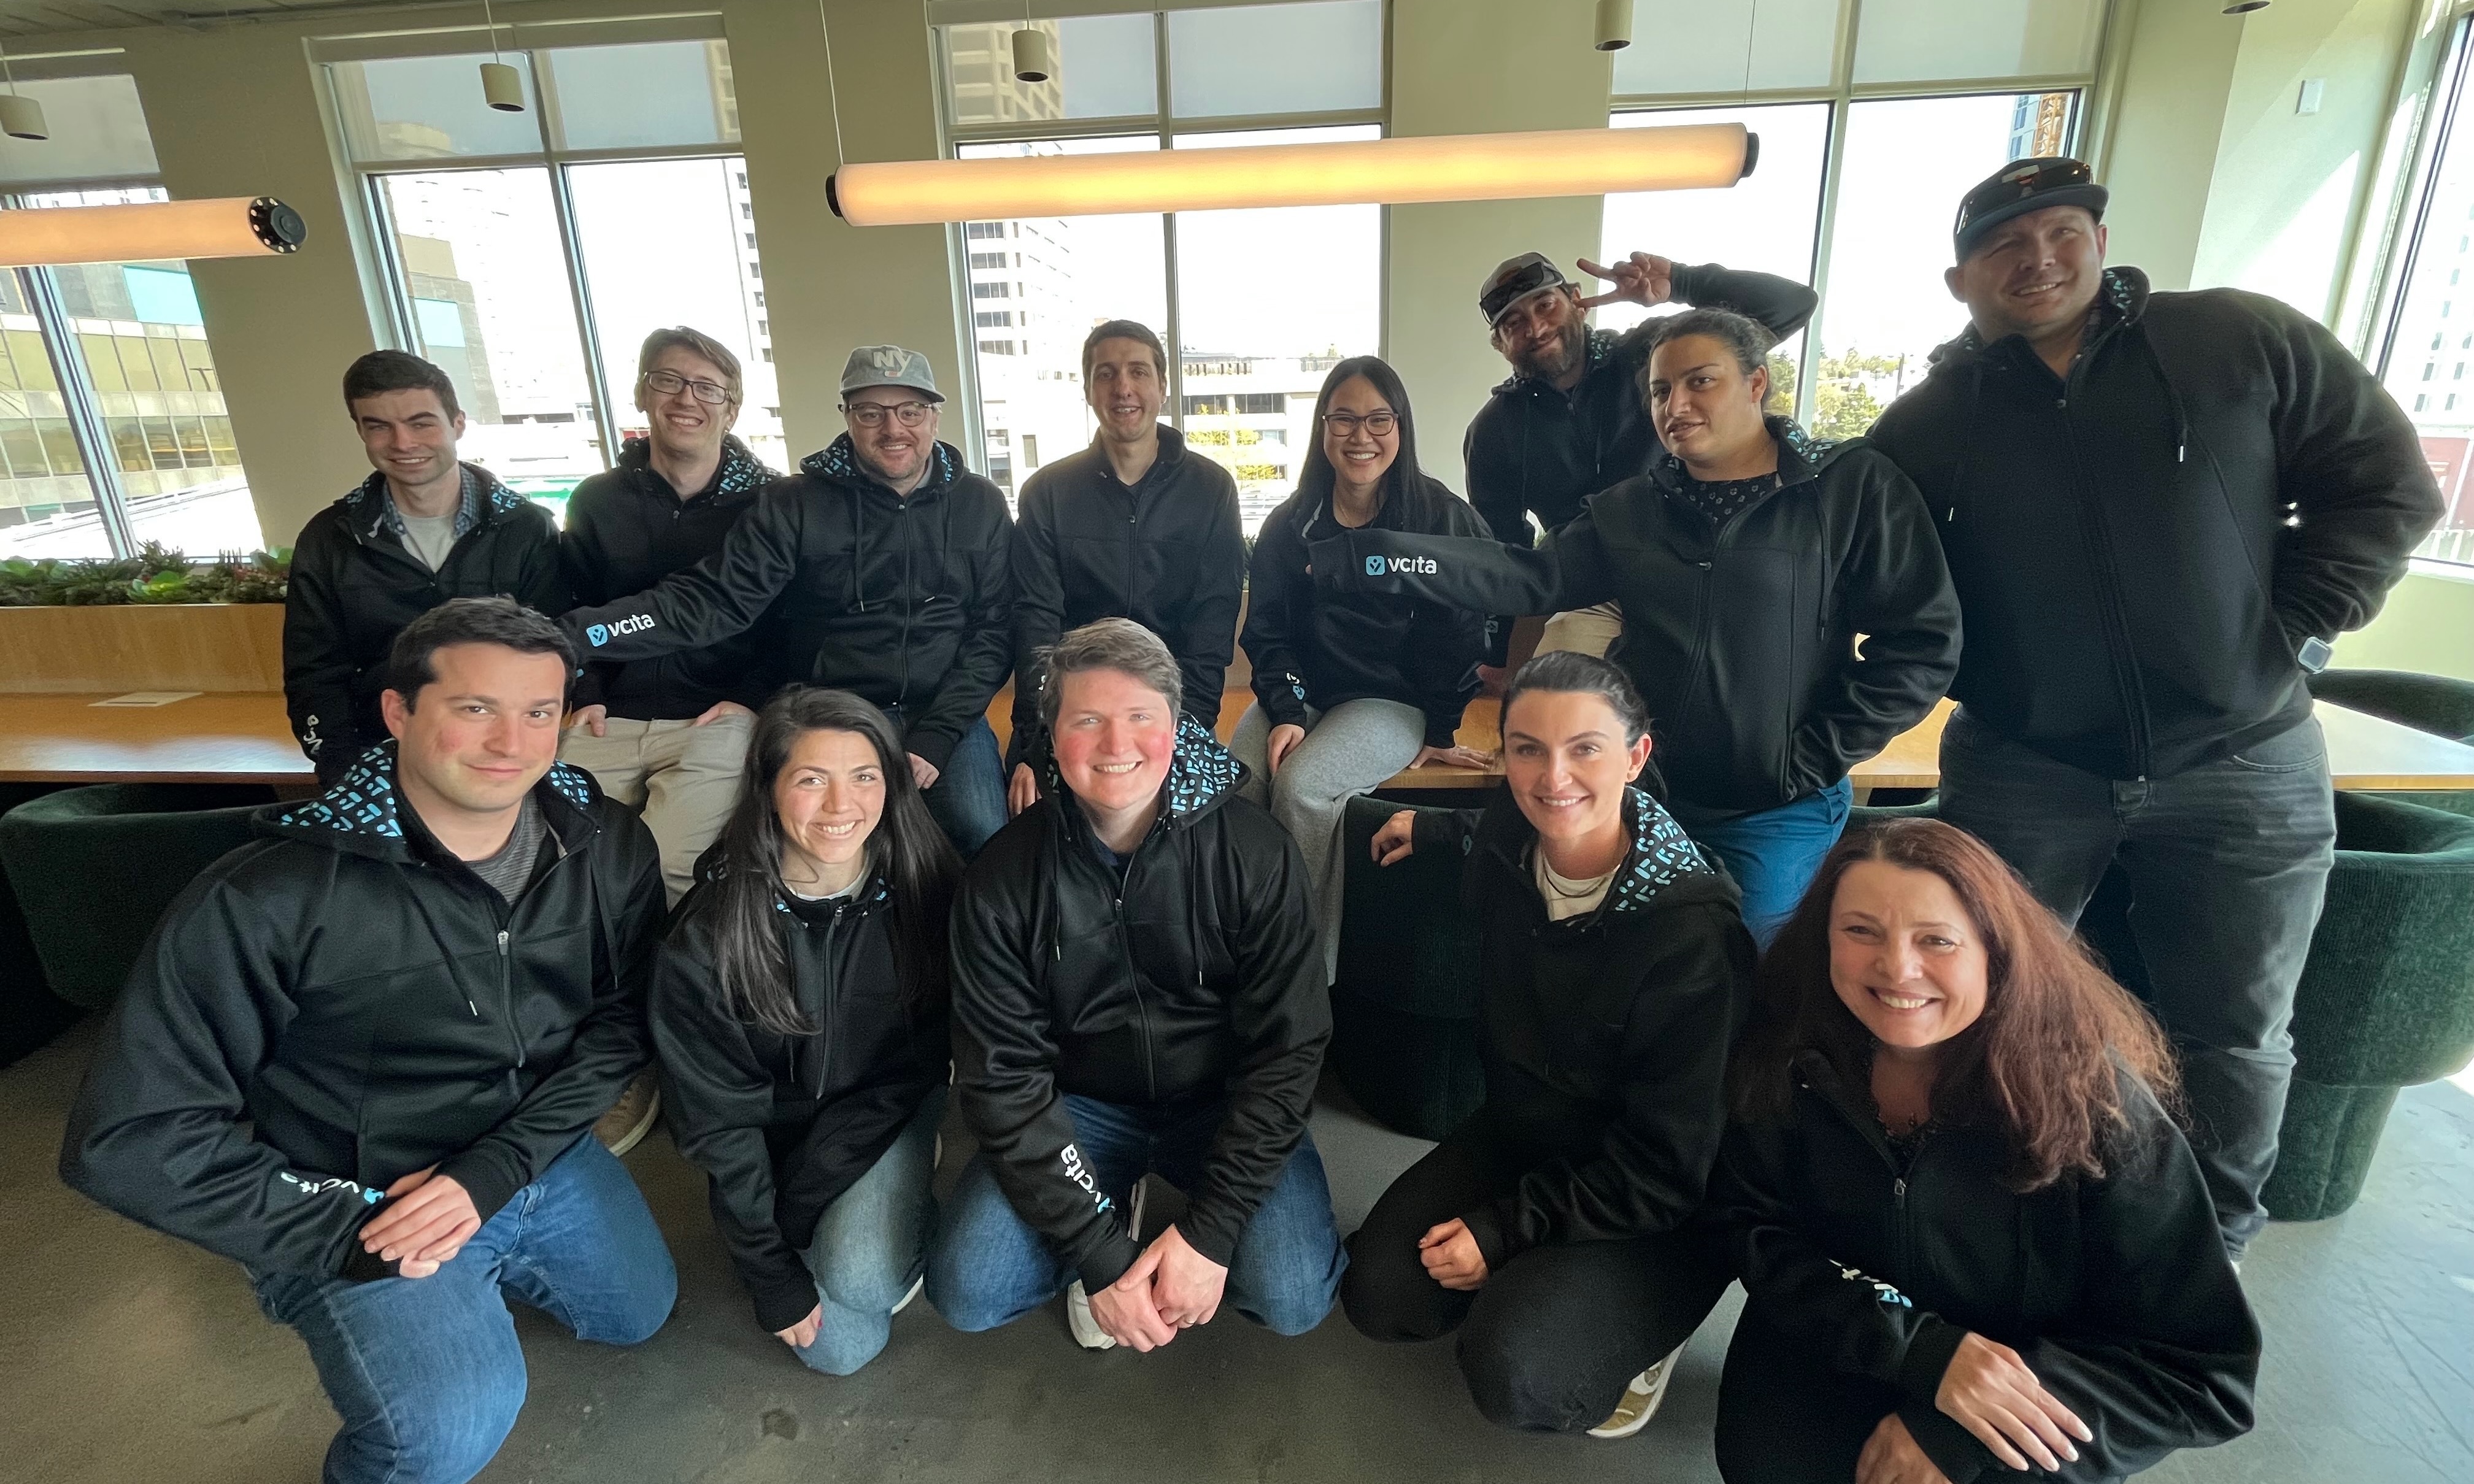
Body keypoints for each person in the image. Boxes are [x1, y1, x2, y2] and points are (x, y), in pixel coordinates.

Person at [1863, 157, 2445, 1258]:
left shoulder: (2233, 341)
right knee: (1983, 1006)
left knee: (2233, 1032)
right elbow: (1884, 585)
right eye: (2003, 244)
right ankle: (2007, 1223)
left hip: (2246, 755)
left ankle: (2206, 1245)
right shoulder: (1926, 424)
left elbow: (2388, 482)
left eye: (2060, 230)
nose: (2037, 257)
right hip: (2026, 764)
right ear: (1959, 280)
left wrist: (2289, 629)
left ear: (2096, 235)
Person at [61, 597, 676, 1484]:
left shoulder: (605, 840)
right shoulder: (266, 895)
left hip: (531, 1151)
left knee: (638, 1313)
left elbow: (624, 1020)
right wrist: (347, 1226)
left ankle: (485, 1257)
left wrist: (494, 1171)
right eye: (475, 708)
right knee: (445, 1436)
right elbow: (129, 1137)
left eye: (539, 711)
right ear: (398, 712)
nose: (512, 741)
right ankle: (349, 1290)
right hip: (365, 1189)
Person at [1304, 310, 1960, 945]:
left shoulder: (1847, 486)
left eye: (1700, 380)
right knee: (1620, 964)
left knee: (1742, 975)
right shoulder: (1635, 508)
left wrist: (1814, 752)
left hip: (1772, 810)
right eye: (1659, 390)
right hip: (1644, 792)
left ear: (1756, 383)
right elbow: (1530, 576)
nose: (1675, 404)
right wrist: (1377, 553)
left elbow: (1923, 642)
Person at [1708, 818, 2259, 1483]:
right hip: (1852, 1339)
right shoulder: (1786, 1055)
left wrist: (1960, 1434)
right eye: (1860, 931)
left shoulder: (2100, 1108)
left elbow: (2202, 1373)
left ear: (1996, 952)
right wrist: (1925, 1354)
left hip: (2029, 1386)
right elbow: (1754, 1226)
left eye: (1936, 939)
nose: (1897, 967)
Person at [1342, 652, 1756, 1439]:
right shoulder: (1510, 827)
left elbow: (1669, 1167)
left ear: (1636, 757)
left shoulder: (1696, 938)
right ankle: (1545, 1285)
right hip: (1527, 1130)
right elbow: (1497, 827)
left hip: (1655, 1196)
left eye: (1585, 749)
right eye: (1528, 747)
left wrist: (1503, 1229)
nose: (1552, 775)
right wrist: (1432, 826)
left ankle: (1641, 1332)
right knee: (1381, 1292)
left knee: (1517, 1369)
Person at [927, 618, 1343, 1351]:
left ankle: (1165, 1222)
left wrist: (1209, 1234)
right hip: (1080, 1109)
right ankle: (1111, 1204)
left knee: (1294, 1292)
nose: (1117, 746)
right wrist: (1102, 1259)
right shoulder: (1002, 877)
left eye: (1140, 719)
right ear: (1051, 738)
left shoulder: (1255, 850)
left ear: (1177, 729)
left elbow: (1290, 1049)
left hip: (1221, 1101)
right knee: (968, 1287)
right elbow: (1003, 1078)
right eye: (1087, 720)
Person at [561, 345, 1014, 856]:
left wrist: (937, 734)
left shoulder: (981, 503)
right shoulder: (794, 503)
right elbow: (713, 601)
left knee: (981, 834)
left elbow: (994, 630)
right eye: (871, 413)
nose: (893, 429)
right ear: (846, 417)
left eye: (910, 411)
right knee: (829, 845)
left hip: (945, 705)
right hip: (833, 706)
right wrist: (578, 635)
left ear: (934, 418)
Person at [651, 687, 960, 1376]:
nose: (840, 805)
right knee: (841, 1353)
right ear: (767, 788)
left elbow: (932, 1051)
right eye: (811, 779)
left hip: (886, 1109)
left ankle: (901, 1187)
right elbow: (717, 1124)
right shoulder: (707, 935)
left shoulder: (928, 888)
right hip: (766, 1131)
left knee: (864, 1281)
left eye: (864, 777)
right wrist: (768, 1268)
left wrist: (829, 1172)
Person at [1235, 355, 1493, 978]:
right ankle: (1234, 953)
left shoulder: (1439, 517)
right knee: (1238, 778)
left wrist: (1439, 727)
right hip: (1306, 691)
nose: (1361, 436)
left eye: (1380, 419)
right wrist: (1287, 709)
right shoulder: (1290, 522)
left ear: (1401, 428)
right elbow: (1264, 632)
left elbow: (1465, 629)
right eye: (1344, 419)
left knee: (1302, 789)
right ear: (1323, 428)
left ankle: (1299, 983)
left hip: (1391, 701)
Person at [1466, 250, 1818, 665]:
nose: (1537, 327)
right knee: (1553, 699)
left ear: (1577, 301)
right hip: (1590, 587)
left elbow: (1791, 306)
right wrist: (1492, 652)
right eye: (1514, 323)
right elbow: (1503, 544)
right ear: (1500, 344)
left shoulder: (1648, 353)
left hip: (1698, 566)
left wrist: (1684, 282)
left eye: (1546, 305)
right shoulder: (1494, 430)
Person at [561, 326, 780, 905]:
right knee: (561, 861)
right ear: (642, 393)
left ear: (731, 410)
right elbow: (574, 605)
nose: (687, 399)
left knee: (666, 866)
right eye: (670, 381)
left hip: (717, 718)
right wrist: (586, 692)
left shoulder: (772, 505)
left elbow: (796, 621)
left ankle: (665, 992)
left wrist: (756, 700)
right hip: (610, 717)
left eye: (708, 388)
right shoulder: (596, 500)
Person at [285, 350, 566, 786]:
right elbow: (314, 674)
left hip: (499, 757)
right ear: (360, 431)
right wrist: (343, 769)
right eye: (379, 426)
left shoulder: (526, 529)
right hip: (375, 762)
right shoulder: (328, 539)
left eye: (421, 423)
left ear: (457, 424)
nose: (402, 443)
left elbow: (556, 655)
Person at [1006, 319, 1246, 817]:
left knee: (1201, 830)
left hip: (1170, 711)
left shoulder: (1211, 489)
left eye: (1138, 371)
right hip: (1074, 711)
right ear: (1089, 390)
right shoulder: (1047, 493)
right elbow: (1036, 623)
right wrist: (1035, 741)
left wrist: (1190, 730)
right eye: (1106, 374)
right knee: (1029, 826)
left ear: (1162, 386)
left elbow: (1212, 622)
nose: (1123, 388)